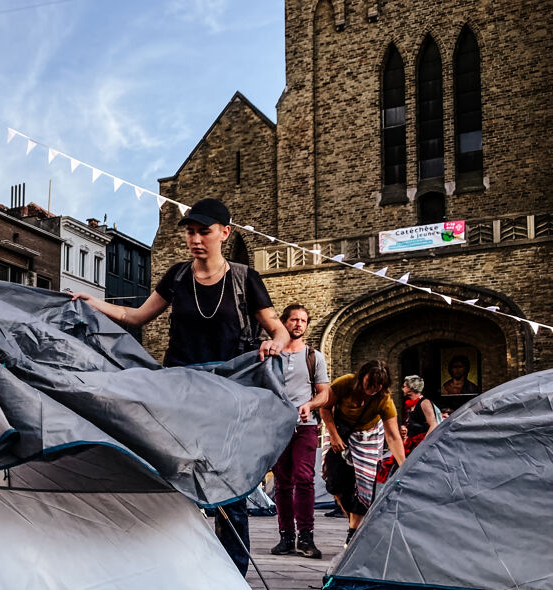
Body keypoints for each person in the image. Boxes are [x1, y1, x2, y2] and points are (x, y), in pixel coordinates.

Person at [73, 197, 289, 577]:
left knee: (227, 483)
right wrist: (94, 303)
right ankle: (177, 568)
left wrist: (274, 341)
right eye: (190, 232)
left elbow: (279, 329)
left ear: (224, 232)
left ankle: (232, 574)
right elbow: (135, 316)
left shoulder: (244, 279)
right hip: (180, 390)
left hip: (226, 393)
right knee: (175, 475)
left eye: (203, 231)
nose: (195, 239)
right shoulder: (176, 276)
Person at [268, 304, 332, 560]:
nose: (298, 324)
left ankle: (306, 536)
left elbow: (324, 393)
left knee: (304, 478)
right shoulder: (271, 353)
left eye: (303, 321)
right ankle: (286, 536)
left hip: (305, 426)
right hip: (276, 426)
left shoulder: (313, 356)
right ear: (283, 322)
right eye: (294, 319)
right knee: (282, 482)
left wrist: (310, 404)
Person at [319, 359, 407, 545]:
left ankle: (353, 533)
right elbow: (325, 408)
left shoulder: (384, 400)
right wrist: (334, 436)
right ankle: (353, 520)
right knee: (334, 482)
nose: (372, 390)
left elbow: (393, 436)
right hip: (340, 431)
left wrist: (403, 464)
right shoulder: (345, 383)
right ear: (361, 377)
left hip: (367, 437)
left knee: (364, 487)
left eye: (377, 386)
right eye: (369, 384)